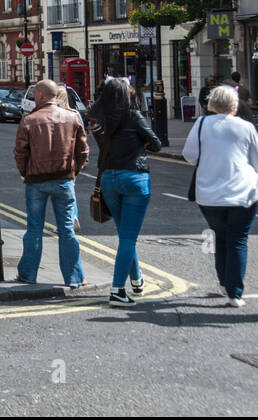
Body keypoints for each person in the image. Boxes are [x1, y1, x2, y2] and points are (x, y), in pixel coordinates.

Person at [183, 85, 258, 308]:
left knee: (221, 237)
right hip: (243, 193)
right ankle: (235, 293)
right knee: (238, 240)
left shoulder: (201, 124)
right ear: (235, 104)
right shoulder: (246, 127)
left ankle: (224, 283)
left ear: (212, 103)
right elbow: (257, 162)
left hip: (209, 195)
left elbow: (189, 156)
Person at [87, 78, 160, 304]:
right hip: (134, 178)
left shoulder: (97, 119)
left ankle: (136, 281)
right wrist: (139, 144)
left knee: (126, 235)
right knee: (128, 237)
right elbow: (156, 143)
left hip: (109, 178)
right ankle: (117, 290)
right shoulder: (133, 115)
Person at [13, 79, 89, 289]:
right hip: (64, 180)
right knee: (67, 230)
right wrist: (73, 173)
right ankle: (75, 277)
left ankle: (28, 275)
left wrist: (26, 173)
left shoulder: (29, 120)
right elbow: (83, 151)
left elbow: (20, 153)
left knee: (34, 229)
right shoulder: (72, 117)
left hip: (36, 182)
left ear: (40, 96)